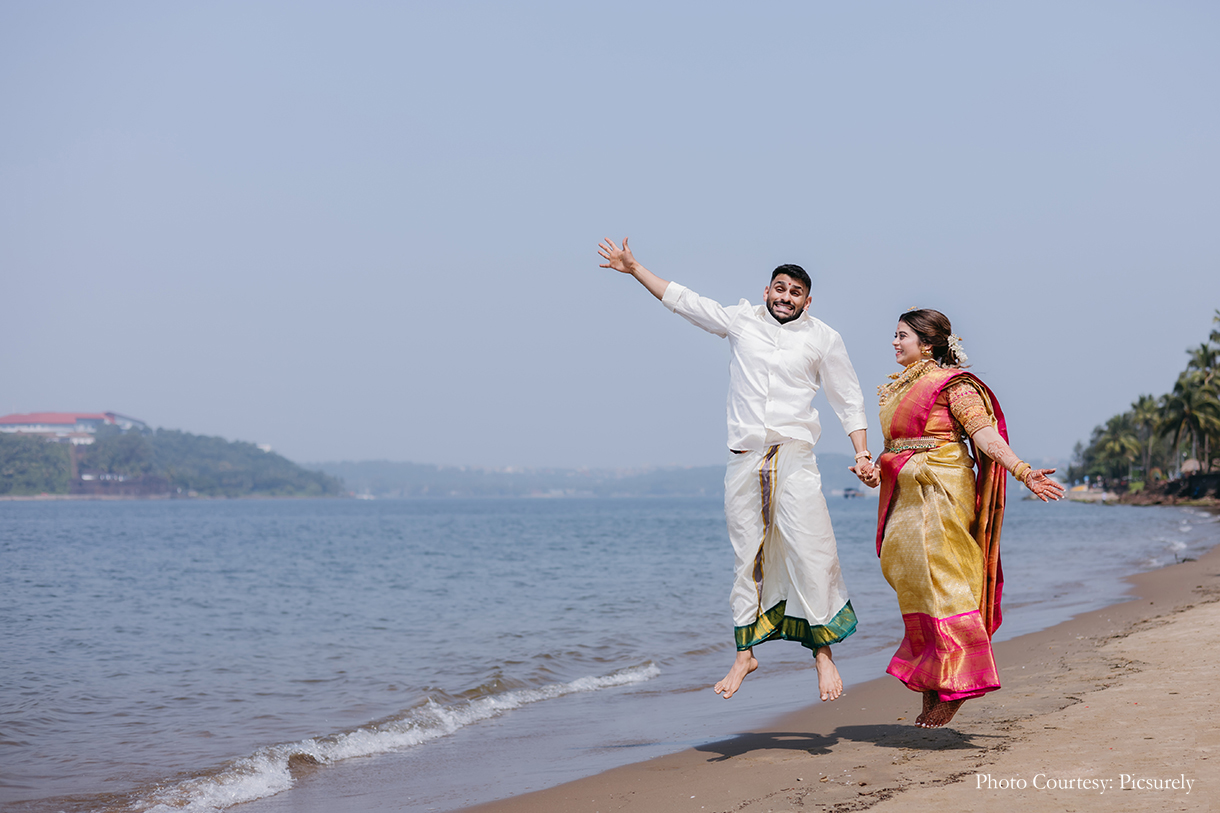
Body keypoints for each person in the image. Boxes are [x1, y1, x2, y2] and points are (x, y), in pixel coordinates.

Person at [597, 237, 878, 702]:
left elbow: (848, 399)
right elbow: (685, 301)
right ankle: (745, 652)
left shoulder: (823, 337)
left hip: (794, 456)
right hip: (745, 460)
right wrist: (635, 268)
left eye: (796, 292)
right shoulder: (741, 321)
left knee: (812, 549)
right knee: (747, 557)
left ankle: (823, 655)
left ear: (808, 301)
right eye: (779, 288)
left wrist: (863, 454)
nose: (786, 297)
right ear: (766, 290)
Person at [857, 309, 1063, 728]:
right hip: (904, 498)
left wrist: (1023, 471)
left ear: (926, 343)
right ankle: (936, 681)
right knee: (915, 586)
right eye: (894, 336)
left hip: (940, 495)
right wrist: (874, 470)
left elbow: (985, 436)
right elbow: (898, 447)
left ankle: (964, 682)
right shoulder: (900, 387)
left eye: (902, 336)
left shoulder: (954, 385)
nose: (894, 343)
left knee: (946, 584)